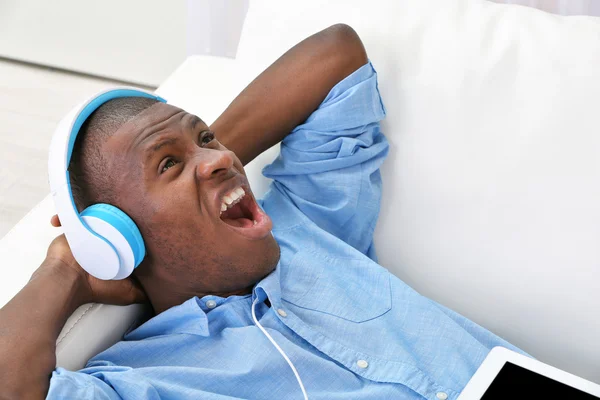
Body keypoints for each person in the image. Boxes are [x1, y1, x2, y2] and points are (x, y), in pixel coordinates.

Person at [0, 24, 525, 400]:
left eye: (206, 137)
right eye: (166, 165)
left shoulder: (309, 225)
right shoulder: (143, 379)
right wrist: (66, 266)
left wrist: (201, 164)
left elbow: (335, 54)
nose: (223, 156)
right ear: (119, 236)